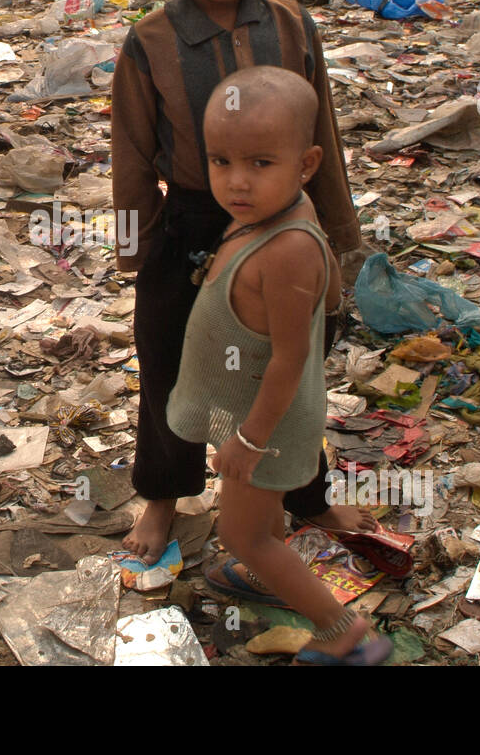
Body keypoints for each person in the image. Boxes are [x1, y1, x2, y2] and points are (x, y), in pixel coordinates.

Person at [110, 0, 372, 575]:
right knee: (168, 359)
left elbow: (323, 140)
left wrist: (339, 239)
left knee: (293, 363)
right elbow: (131, 159)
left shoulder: (292, 28)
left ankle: (304, 489)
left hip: (287, 226)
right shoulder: (151, 43)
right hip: (191, 225)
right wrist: (139, 256)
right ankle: (165, 490)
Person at [166, 66, 392, 665]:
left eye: (260, 163)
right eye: (221, 162)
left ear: (308, 164)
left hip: (265, 418)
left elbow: (292, 357)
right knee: (260, 526)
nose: (237, 182)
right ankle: (272, 569)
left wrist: (248, 438)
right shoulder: (262, 213)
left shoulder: (289, 246)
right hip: (255, 408)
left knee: (240, 533)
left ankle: (344, 631)